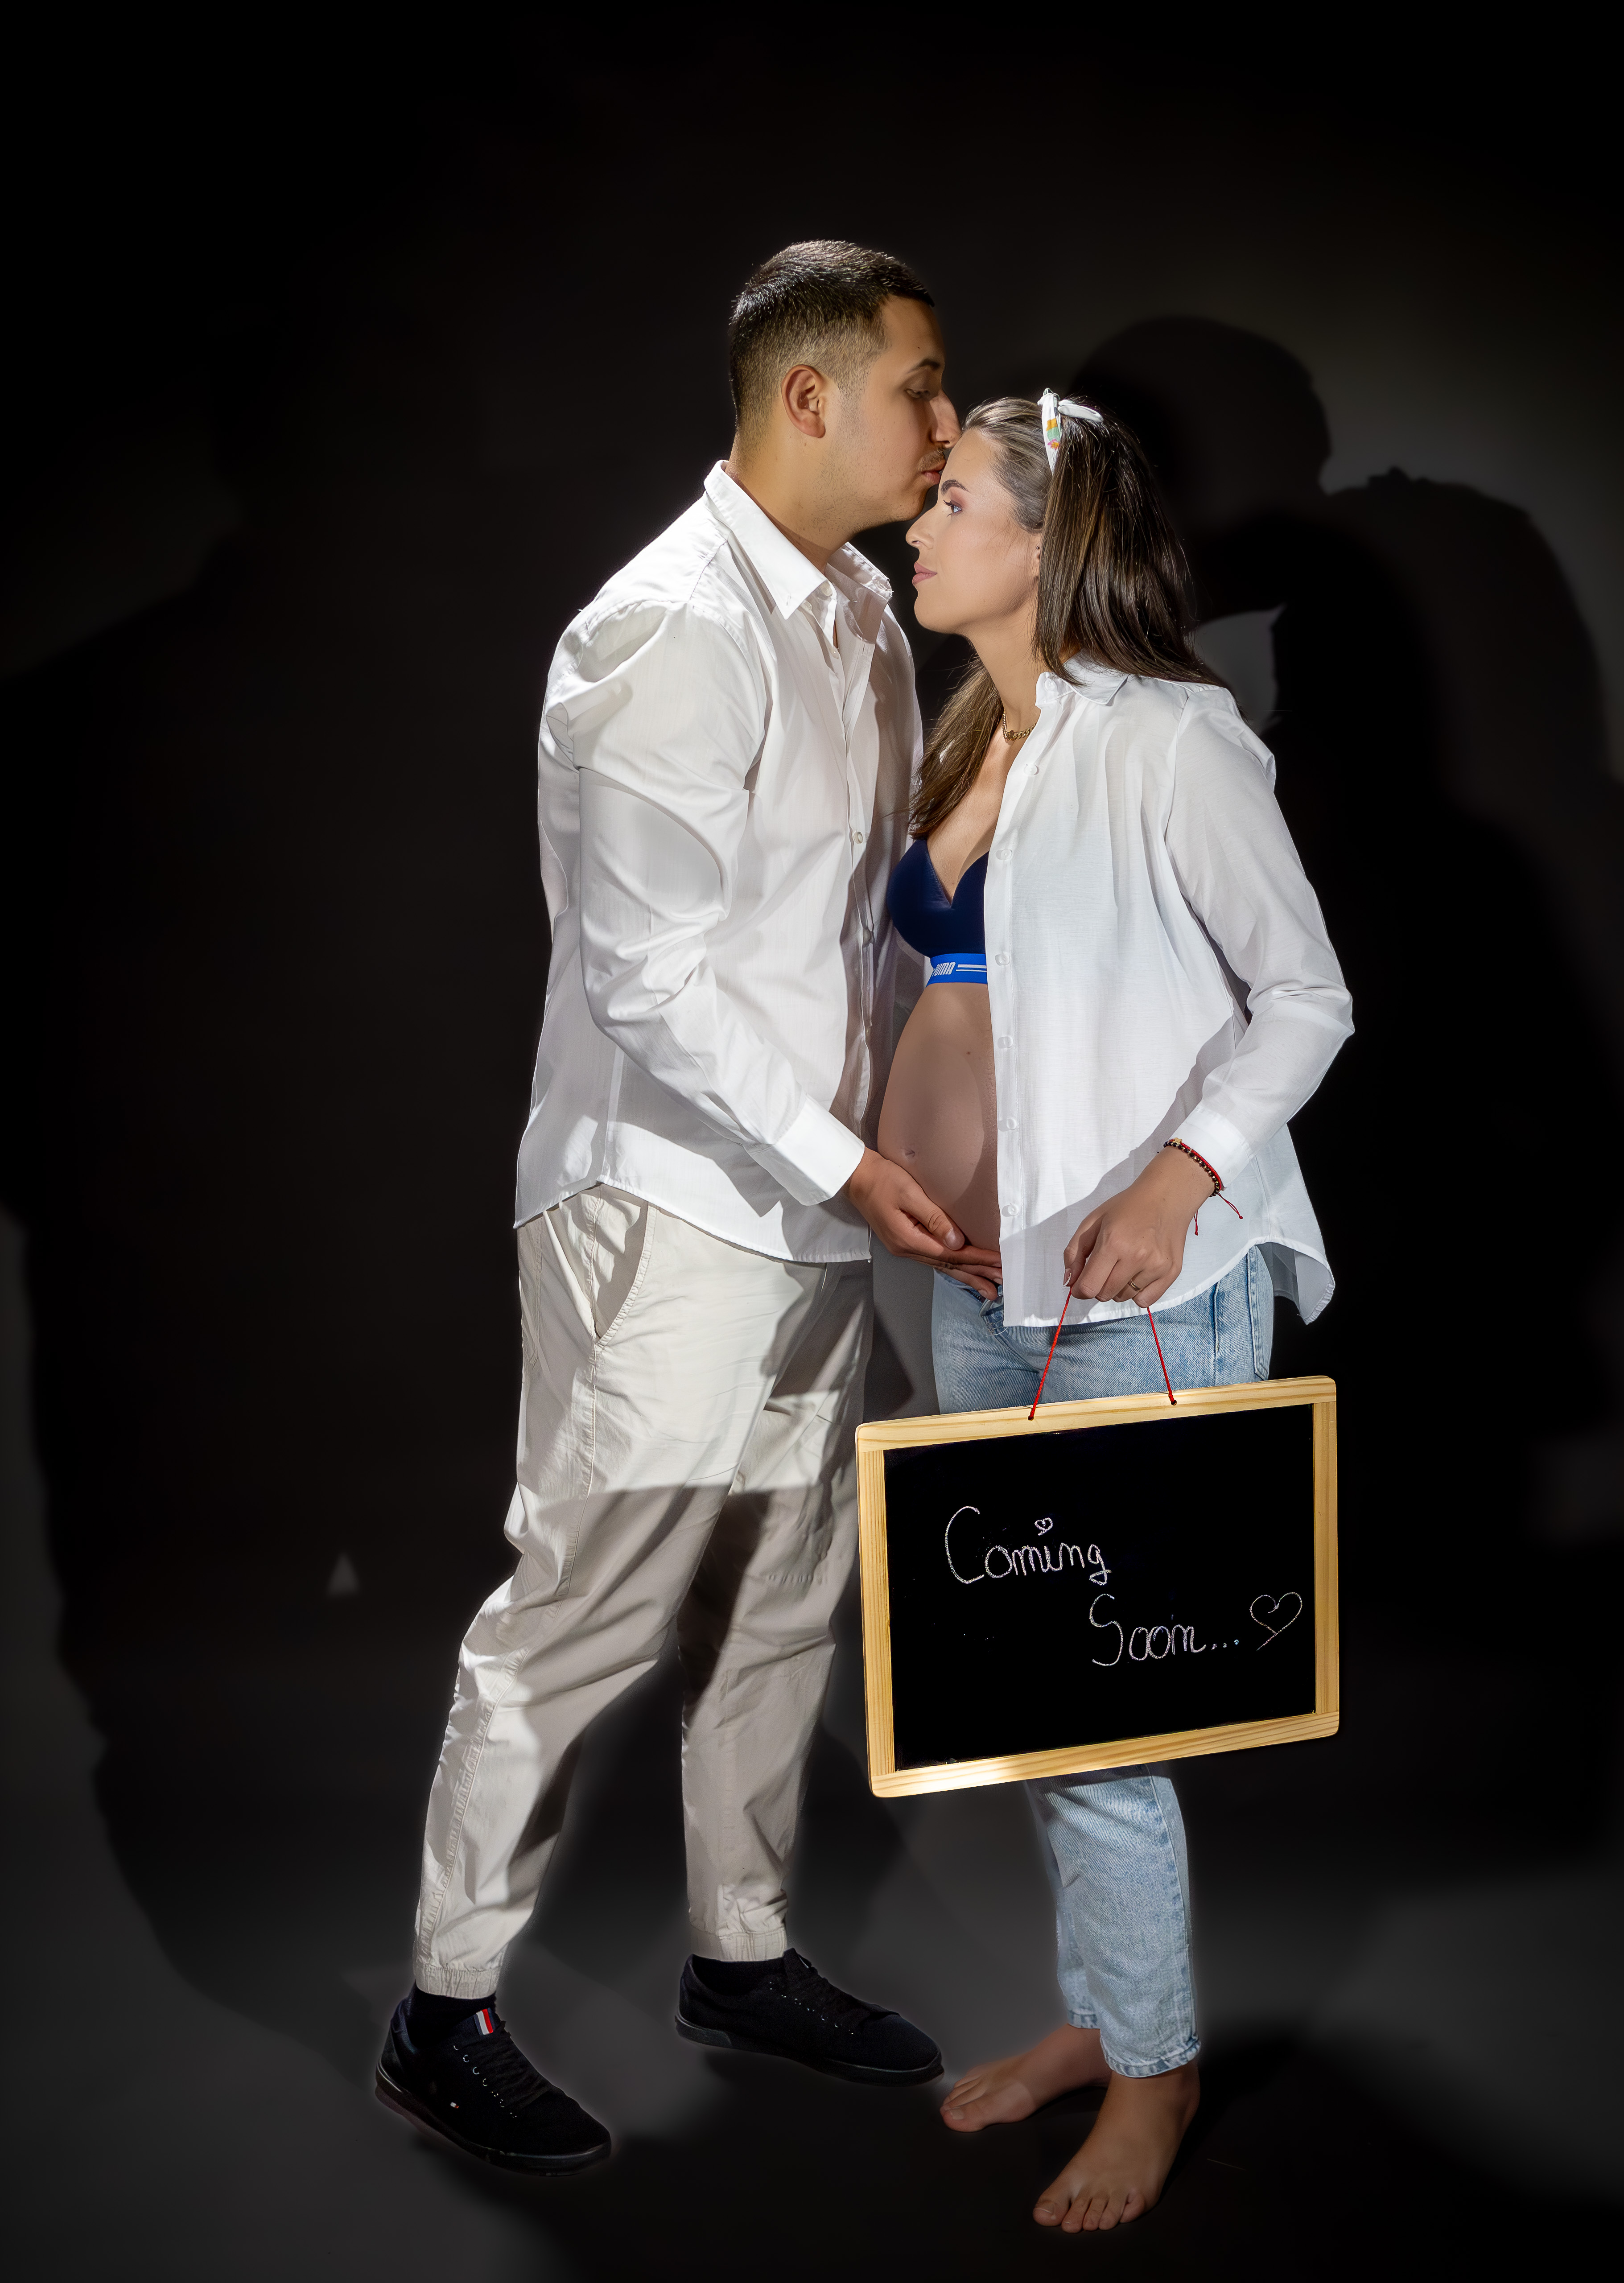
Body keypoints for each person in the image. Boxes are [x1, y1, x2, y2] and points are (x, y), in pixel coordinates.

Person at [375, 241, 1001, 2173]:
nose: (947, 422)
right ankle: (443, 2008)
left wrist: (921, 1129)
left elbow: (853, 929)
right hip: (660, 1205)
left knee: (786, 1599)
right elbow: (645, 978)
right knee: (584, 1608)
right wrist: (852, 1160)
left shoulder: (867, 615)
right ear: (809, 396)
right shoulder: (662, 625)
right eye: (920, 384)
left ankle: (742, 1954)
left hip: (817, 1203)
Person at [878, 391, 1352, 2229]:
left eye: (952, 503)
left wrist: (1177, 1181)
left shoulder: (1172, 739)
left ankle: (1154, 2069)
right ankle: (1104, 2016)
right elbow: (947, 981)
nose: (917, 527)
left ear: (1048, 539)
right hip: (980, 1281)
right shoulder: (969, 730)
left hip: (1135, 1285)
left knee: (1096, 1719)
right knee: (1034, 1689)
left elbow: (1303, 996)